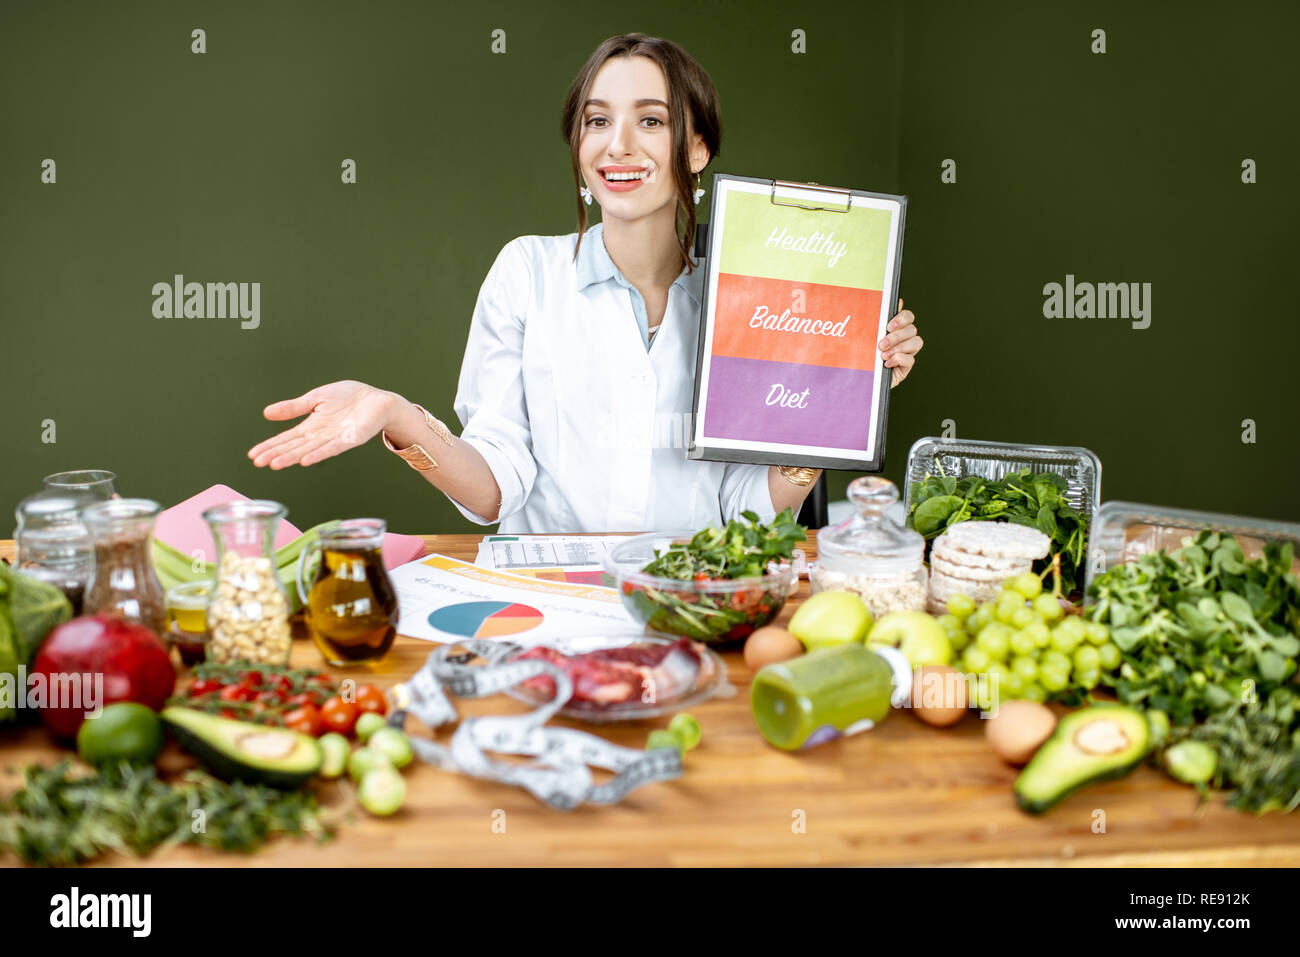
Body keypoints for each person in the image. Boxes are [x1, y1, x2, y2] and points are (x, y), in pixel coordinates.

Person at [247, 33, 923, 533]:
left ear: (696, 151)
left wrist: (838, 403)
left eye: (650, 121)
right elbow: (493, 490)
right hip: (548, 607)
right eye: (597, 120)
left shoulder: (748, 300)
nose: (617, 145)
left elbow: (740, 503)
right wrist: (395, 413)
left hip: (687, 605)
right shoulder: (527, 274)